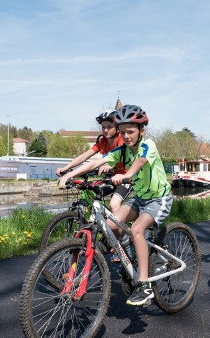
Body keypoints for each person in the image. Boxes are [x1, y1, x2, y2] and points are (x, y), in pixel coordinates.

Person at [58, 104, 171, 306]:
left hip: (159, 199)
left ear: (141, 131)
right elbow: (95, 162)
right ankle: (129, 261)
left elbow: (141, 162)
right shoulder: (122, 150)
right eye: (123, 132)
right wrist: (70, 173)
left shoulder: (148, 145)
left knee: (137, 229)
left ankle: (144, 286)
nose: (126, 136)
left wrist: (126, 175)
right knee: (111, 225)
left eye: (131, 131)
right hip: (140, 198)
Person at [55, 110, 129, 213]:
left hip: (126, 177)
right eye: (103, 127)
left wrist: (109, 165)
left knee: (113, 204)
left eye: (109, 127)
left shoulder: (122, 139)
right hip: (111, 177)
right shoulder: (102, 142)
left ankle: (117, 227)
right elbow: (84, 156)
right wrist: (66, 168)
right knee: (92, 194)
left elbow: (121, 154)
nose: (106, 130)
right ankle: (101, 224)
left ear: (117, 127)